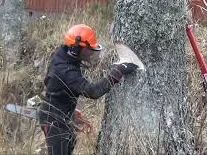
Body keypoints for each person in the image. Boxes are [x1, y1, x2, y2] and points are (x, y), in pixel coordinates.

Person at [38, 24, 138, 155]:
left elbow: (54, 85)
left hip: (61, 114)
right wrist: (118, 71)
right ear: (75, 49)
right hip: (54, 121)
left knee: (69, 144)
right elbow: (93, 91)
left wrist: (68, 108)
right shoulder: (66, 71)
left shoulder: (62, 55)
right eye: (88, 50)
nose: (90, 53)